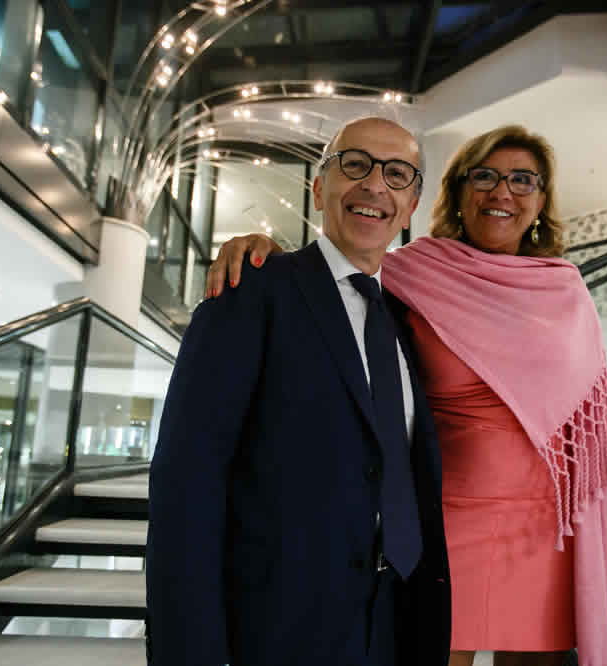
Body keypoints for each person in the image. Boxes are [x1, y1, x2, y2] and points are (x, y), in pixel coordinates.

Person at [205, 125, 607, 666]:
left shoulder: (565, 287)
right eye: (484, 176)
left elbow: (590, 419)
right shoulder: (412, 274)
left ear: (541, 200)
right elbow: (336, 280)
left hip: (548, 529)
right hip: (447, 522)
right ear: (457, 192)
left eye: (523, 180)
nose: (502, 192)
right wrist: (269, 255)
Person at [146, 117, 451, 666]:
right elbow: (187, 483)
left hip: (396, 621)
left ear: (410, 207)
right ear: (318, 187)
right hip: (279, 628)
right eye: (354, 165)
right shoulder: (250, 290)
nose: (374, 185)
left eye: (397, 174)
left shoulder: (410, 323)